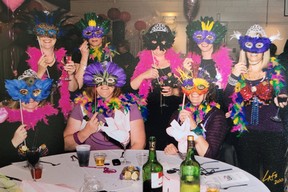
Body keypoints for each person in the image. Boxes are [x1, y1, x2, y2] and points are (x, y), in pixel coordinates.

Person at [226, 24, 287, 192]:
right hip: (246, 135)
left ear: (264, 50)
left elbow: (282, 90)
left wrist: (282, 98)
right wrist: (233, 76)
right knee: (248, 181)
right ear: (244, 50)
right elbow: (226, 100)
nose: (253, 53)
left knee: (273, 182)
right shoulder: (238, 72)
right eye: (249, 49)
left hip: (273, 134)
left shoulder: (273, 70)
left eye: (258, 48)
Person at [64, 61, 146, 151]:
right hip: (90, 160)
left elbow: (139, 143)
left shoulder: (129, 106)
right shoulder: (82, 106)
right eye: (99, 80)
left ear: (117, 83)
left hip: (119, 160)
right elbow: (66, 145)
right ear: (93, 82)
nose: (104, 86)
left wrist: (125, 161)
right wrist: (85, 132)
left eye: (110, 80)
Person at [16, 9, 78, 119]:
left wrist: (71, 74)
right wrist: (39, 72)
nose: (47, 38)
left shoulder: (63, 58)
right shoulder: (26, 58)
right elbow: (22, 90)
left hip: (60, 113)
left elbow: (73, 89)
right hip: (37, 111)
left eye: (51, 34)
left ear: (57, 37)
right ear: (36, 36)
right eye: (41, 34)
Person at [130, 23, 183, 150]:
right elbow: (132, 86)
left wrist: (174, 91)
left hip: (172, 115)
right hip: (149, 115)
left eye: (162, 43)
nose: (158, 48)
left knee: (171, 149)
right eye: (154, 42)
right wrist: (144, 75)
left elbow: (187, 90)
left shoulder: (177, 63)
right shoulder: (142, 61)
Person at [0, 69, 65, 167]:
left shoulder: (54, 118)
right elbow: (2, 160)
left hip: (47, 172)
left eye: (35, 92)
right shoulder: (6, 120)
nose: (30, 98)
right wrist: (14, 142)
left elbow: (59, 154)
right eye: (25, 92)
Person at [164, 70, 228, 159]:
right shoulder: (179, 113)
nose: (195, 94)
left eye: (200, 87)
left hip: (206, 167)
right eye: (190, 87)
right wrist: (170, 147)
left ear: (207, 91)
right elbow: (169, 141)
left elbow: (208, 155)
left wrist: (193, 125)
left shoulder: (217, 116)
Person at [184, 16, 233, 110]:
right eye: (199, 37)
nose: (204, 42)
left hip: (220, 108)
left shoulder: (224, 61)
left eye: (209, 37)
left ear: (216, 39)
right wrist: (186, 72)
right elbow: (186, 89)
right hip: (198, 109)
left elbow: (230, 90)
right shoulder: (191, 61)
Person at [75, 12, 118, 89]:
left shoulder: (112, 53)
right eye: (89, 33)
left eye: (98, 32)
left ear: (103, 37)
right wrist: (84, 57)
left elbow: (119, 80)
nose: (94, 37)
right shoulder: (79, 54)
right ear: (85, 38)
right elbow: (78, 84)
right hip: (87, 95)